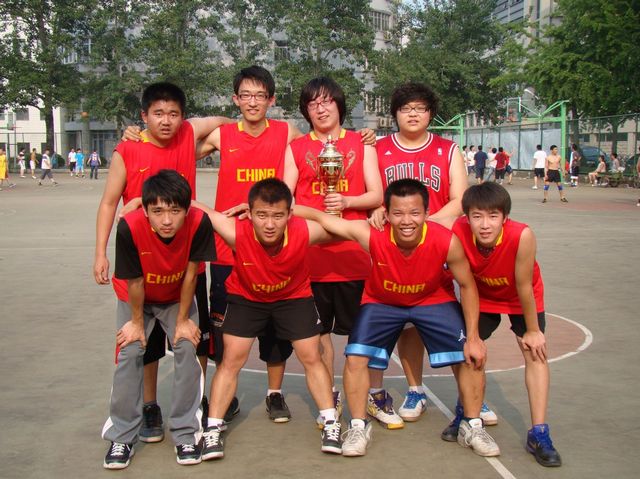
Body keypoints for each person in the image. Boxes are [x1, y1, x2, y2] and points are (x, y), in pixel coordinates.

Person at [294, 179, 500, 458]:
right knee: (355, 358)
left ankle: (472, 425)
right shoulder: (372, 234)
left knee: (471, 354)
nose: (407, 221)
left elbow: (467, 285)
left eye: (414, 213)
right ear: (386, 214)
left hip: (432, 299)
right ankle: (358, 426)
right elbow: (322, 218)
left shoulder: (445, 240)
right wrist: (277, 210)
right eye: (398, 213)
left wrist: (473, 337)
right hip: (382, 302)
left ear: (426, 213)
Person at [94, 81, 230, 443]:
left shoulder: (188, 135)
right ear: (144, 116)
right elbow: (109, 202)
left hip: (186, 261)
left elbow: (223, 122)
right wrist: (100, 252)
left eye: (173, 114)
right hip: (143, 260)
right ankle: (150, 405)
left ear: (183, 117)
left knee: (193, 338)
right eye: (158, 114)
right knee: (145, 343)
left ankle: (195, 403)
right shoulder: (128, 149)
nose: (166, 120)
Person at [195, 178, 342, 460]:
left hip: (293, 298)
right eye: (261, 215)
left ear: (290, 214)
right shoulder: (235, 231)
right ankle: (213, 428)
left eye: (278, 216)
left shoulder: (303, 231)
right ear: (249, 213)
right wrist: (140, 201)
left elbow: (344, 227)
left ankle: (331, 422)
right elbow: (197, 209)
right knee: (231, 360)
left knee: (311, 355)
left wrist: (378, 216)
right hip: (247, 298)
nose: (270, 224)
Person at [369, 82, 470, 427]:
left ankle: (470, 397)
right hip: (393, 250)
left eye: (420, 108)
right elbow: (372, 194)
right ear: (395, 113)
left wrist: (425, 226)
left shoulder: (448, 149)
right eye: (406, 108)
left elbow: (460, 199)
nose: (413, 114)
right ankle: (415, 389)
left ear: (431, 114)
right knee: (407, 325)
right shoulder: (378, 149)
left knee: (452, 321)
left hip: (437, 248)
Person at [283, 76, 383, 428]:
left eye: (326, 101)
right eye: (312, 104)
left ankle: (365, 396)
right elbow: (285, 200)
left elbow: (377, 194)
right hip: (311, 261)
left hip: (355, 257)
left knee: (360, 339)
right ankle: (330, 399)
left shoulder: (361, 143)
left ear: (339, 104)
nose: (321, 109)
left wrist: (347, 202)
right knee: (319, 338)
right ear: (306, 111)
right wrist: (315, 216)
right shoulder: (296, 148)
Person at [102, 170, 216, 469]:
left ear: (187, 209)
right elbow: (135, 282)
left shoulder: (200, 223)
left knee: (187, 346)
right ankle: (121, 436)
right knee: (130, 351)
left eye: (175, 211)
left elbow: (191, 275)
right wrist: (136, 324)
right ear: (145, 210)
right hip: (136, 297)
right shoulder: (129, 226)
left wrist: (183, 320)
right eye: (158, 211)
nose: (167, 220)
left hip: (176, 295)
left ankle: (185, 432)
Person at [447, 182, 562, 467]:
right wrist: (472, 336)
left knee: (535, 352)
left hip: (519, 296)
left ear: (505, 217)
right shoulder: (458, 231)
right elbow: (466, 283)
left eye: (493, 216)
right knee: (466, 350)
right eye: (477, 216)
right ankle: (467, 411)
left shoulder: (522, 235)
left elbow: (524, 286)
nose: (485, 224)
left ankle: (539, 432)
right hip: (481, 294)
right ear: (467, 217)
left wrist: (532, 331)